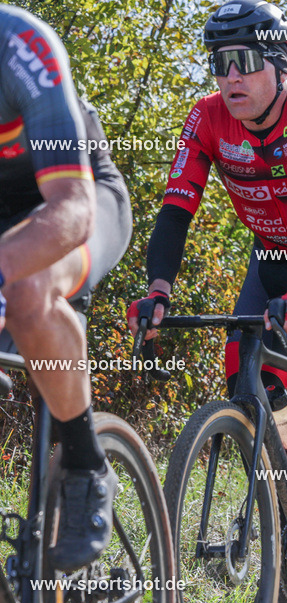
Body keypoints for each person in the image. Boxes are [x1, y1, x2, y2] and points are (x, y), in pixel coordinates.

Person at [127, 0, 287, 520]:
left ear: (279, 63)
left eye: (243, 61)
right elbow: (175, 212)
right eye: (219, 63)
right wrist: (158, 290)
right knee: (244, 372)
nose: (230, 77)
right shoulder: (206, 118)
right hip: (271, 256)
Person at [0, 4, 132, 570]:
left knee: (27, 288)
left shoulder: (19, 43)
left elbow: (72, 209)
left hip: (77, 197)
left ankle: (85, 465)